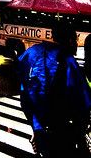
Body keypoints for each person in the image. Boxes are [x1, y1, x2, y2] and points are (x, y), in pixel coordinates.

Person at [18, 21, 91, 157]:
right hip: (65, 134)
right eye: (75, 39)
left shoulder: (33, 54)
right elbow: (83, 103)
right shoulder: (69, 63)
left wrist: (37, 128)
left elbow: (26, 97)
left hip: (42, 132)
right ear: (69, 40)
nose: (76, 44)